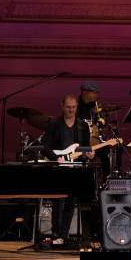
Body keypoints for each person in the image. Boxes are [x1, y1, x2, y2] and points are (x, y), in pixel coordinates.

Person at [42, 94, 95, 244]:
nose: (71, 110)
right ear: (62, 106)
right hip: (58, 167)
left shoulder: (82, 126)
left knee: (71, 203)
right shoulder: (54, 124)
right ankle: (55, 234)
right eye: (68, 107)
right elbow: (45, 147)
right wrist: (55, 158)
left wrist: (89, 154)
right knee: (58, 202)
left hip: (74, 169)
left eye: (74, 107)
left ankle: (63, 236)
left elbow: (84, 148)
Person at [76, 81, 111, 180]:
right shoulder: (75, 106)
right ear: (85, 93)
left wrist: (100, 121)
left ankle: (105, 181)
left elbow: (97, 123)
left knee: (105, 151)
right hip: (79, 141)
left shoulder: (93, 106)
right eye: (94, 92)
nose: (97, 95)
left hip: (93, 140)